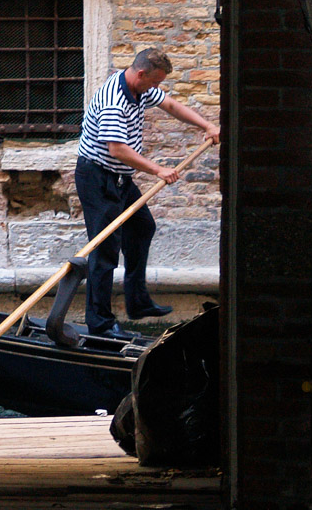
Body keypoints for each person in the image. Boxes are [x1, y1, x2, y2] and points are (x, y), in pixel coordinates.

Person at [75, 48, 220, 339]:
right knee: (104, 250)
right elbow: (117, 149)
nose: (156, 88)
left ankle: (137, 302)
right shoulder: (113, 101)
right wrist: (158, 170)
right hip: (97, 177)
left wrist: (206, 125)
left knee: (142, 227)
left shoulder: (139, 88)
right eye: (154, 82)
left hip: (119, 178)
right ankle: (100, 324)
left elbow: (171, 106)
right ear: (141, 74)